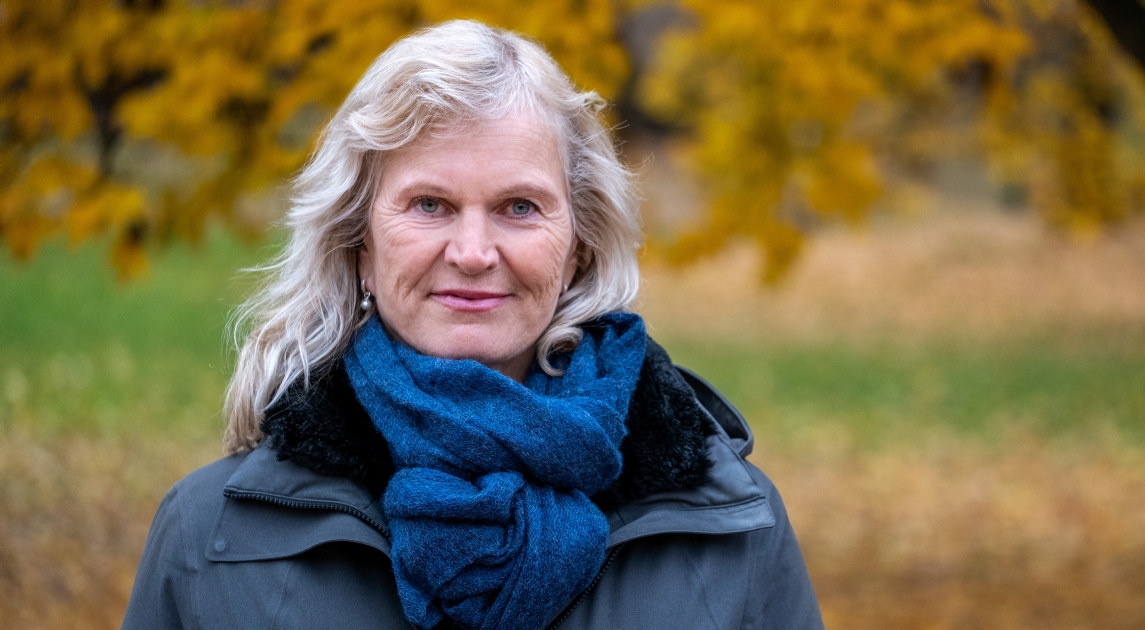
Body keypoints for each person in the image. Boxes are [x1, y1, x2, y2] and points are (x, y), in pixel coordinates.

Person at [122, 19, 824, 630]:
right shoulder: (211, 535)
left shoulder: (731, 526)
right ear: (359, 244)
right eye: (429, 205)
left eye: (519, 207)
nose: (473, 252)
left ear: (577, 247)